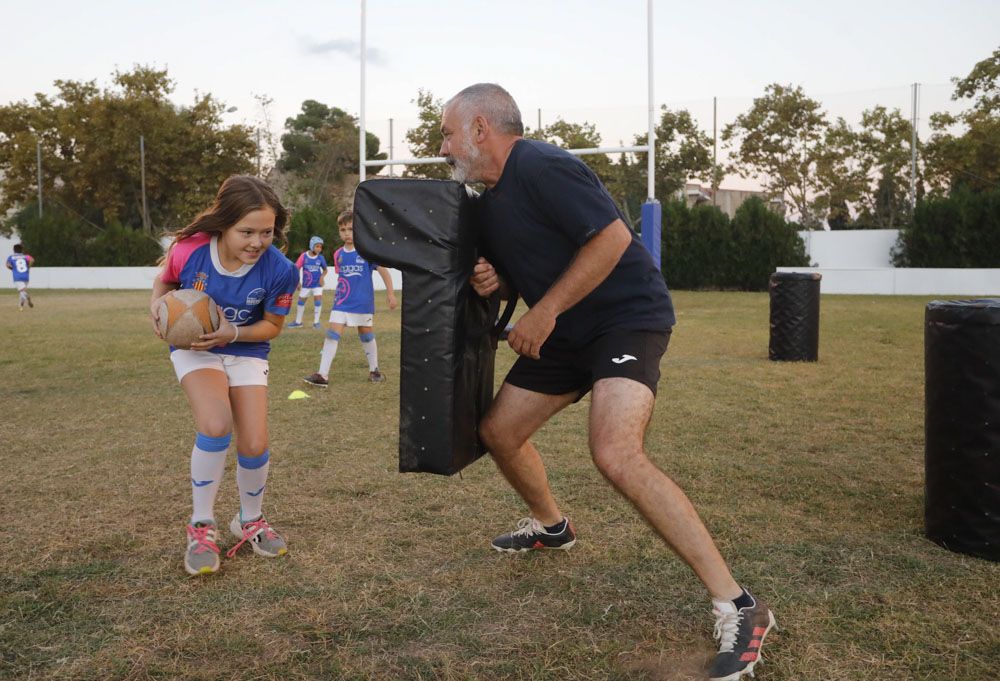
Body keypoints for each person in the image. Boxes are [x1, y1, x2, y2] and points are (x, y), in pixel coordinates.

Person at [440, 83, 775, 681]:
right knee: (499, 431)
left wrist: (541, 313)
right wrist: (498, 284)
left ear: (481, 127)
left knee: (616, 453)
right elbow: (525, 272)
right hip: (564, 333)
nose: (443, 147)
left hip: (625, 318)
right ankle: (553, 527)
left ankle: (740, 605)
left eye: (447, 133)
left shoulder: (542, 164)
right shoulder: (485, 204)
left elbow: (613, 238)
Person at [149, 175, 299, 577]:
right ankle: (201, 526)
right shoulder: (190, 251)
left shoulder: (281, 270)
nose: (256, 241)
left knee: (254, 441)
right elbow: (164, 278)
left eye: (266, 232)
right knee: (216, 424)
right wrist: (159, 309)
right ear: (224, 225)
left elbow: (272, 326)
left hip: (246, 347)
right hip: (196, 348)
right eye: (246, 231)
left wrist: (233, 333)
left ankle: (248, 520)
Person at [303, 209, 397, 386]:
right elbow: (342, 277)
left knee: (366, 334)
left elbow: (384, 271)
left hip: (362, 302)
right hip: (341, 301)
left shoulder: (368, 251)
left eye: (351, 229)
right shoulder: (338, 254)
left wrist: (390, 293)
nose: (346, 233)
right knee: (332, 334)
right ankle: (322, 375)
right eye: (343, 230)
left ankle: (374, 370)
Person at [288, 235, 328, 328]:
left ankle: (316, 323)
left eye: (320, 247)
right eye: (317, 246)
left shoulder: (321, 258)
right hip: (306, 285)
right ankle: (298, 322)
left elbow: (325, 270)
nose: (319, 249)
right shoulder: (304, 256)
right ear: (311, 246)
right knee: (301, 302)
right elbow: (296, 268)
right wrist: (297, 281)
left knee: (318, 301)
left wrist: (322, 277)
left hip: (317, 285)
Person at [6, 244, 35, 310]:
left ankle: (29, 299)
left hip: (17, 277)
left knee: (22, 291)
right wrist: (28, 267)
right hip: (26, 276)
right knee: (22, 291)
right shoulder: (25, 256)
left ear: (14, 250)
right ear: (22, 250)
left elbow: (7, 265)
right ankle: (21, 306)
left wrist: (12, 268)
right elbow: (32, 260)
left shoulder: (11, 257)